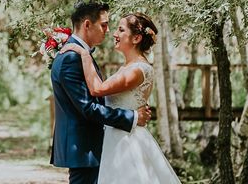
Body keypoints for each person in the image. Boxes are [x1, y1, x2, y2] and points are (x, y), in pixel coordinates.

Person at [60, 11, 181, 183]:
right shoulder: (128, 67)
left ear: (136, 38)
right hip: (116, 136)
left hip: (127, 141)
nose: (115, 34)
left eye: (121, 30)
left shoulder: (137, 70)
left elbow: (97, 89)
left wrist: (84, 54)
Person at [50, 0, 152, 184]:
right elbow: (88, 107)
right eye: (104, 25)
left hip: (96, 148)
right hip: (84, 150)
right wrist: (133, 116)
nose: (109, 31)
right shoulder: (72, 57)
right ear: (87, 24)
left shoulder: (80, 54)